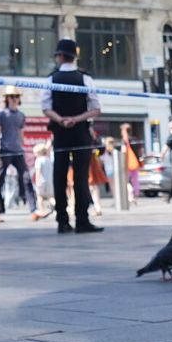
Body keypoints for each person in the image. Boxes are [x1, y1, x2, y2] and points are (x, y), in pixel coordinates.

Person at [42, 38, 103, 234]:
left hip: (60, 132)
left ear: (60, 56)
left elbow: (46, 108)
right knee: (81, 177)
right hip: (81, 132)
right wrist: (76, 119)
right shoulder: (85, 79)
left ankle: (62, 221)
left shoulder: (51, 79)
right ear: (74, 57)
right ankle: (82, 220)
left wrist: (61, 120)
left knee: (59, 176)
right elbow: (95, 108)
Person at [0, 87, 35, 215]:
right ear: (7, 98)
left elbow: (21, 133)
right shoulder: (1, 113)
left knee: (26, 177)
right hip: (5, 150)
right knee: (0, 180)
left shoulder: (21, 115)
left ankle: (33, 208)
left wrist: (25, 147)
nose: (15, 99)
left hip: (18, 151)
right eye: (12, 97)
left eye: (17, 97)